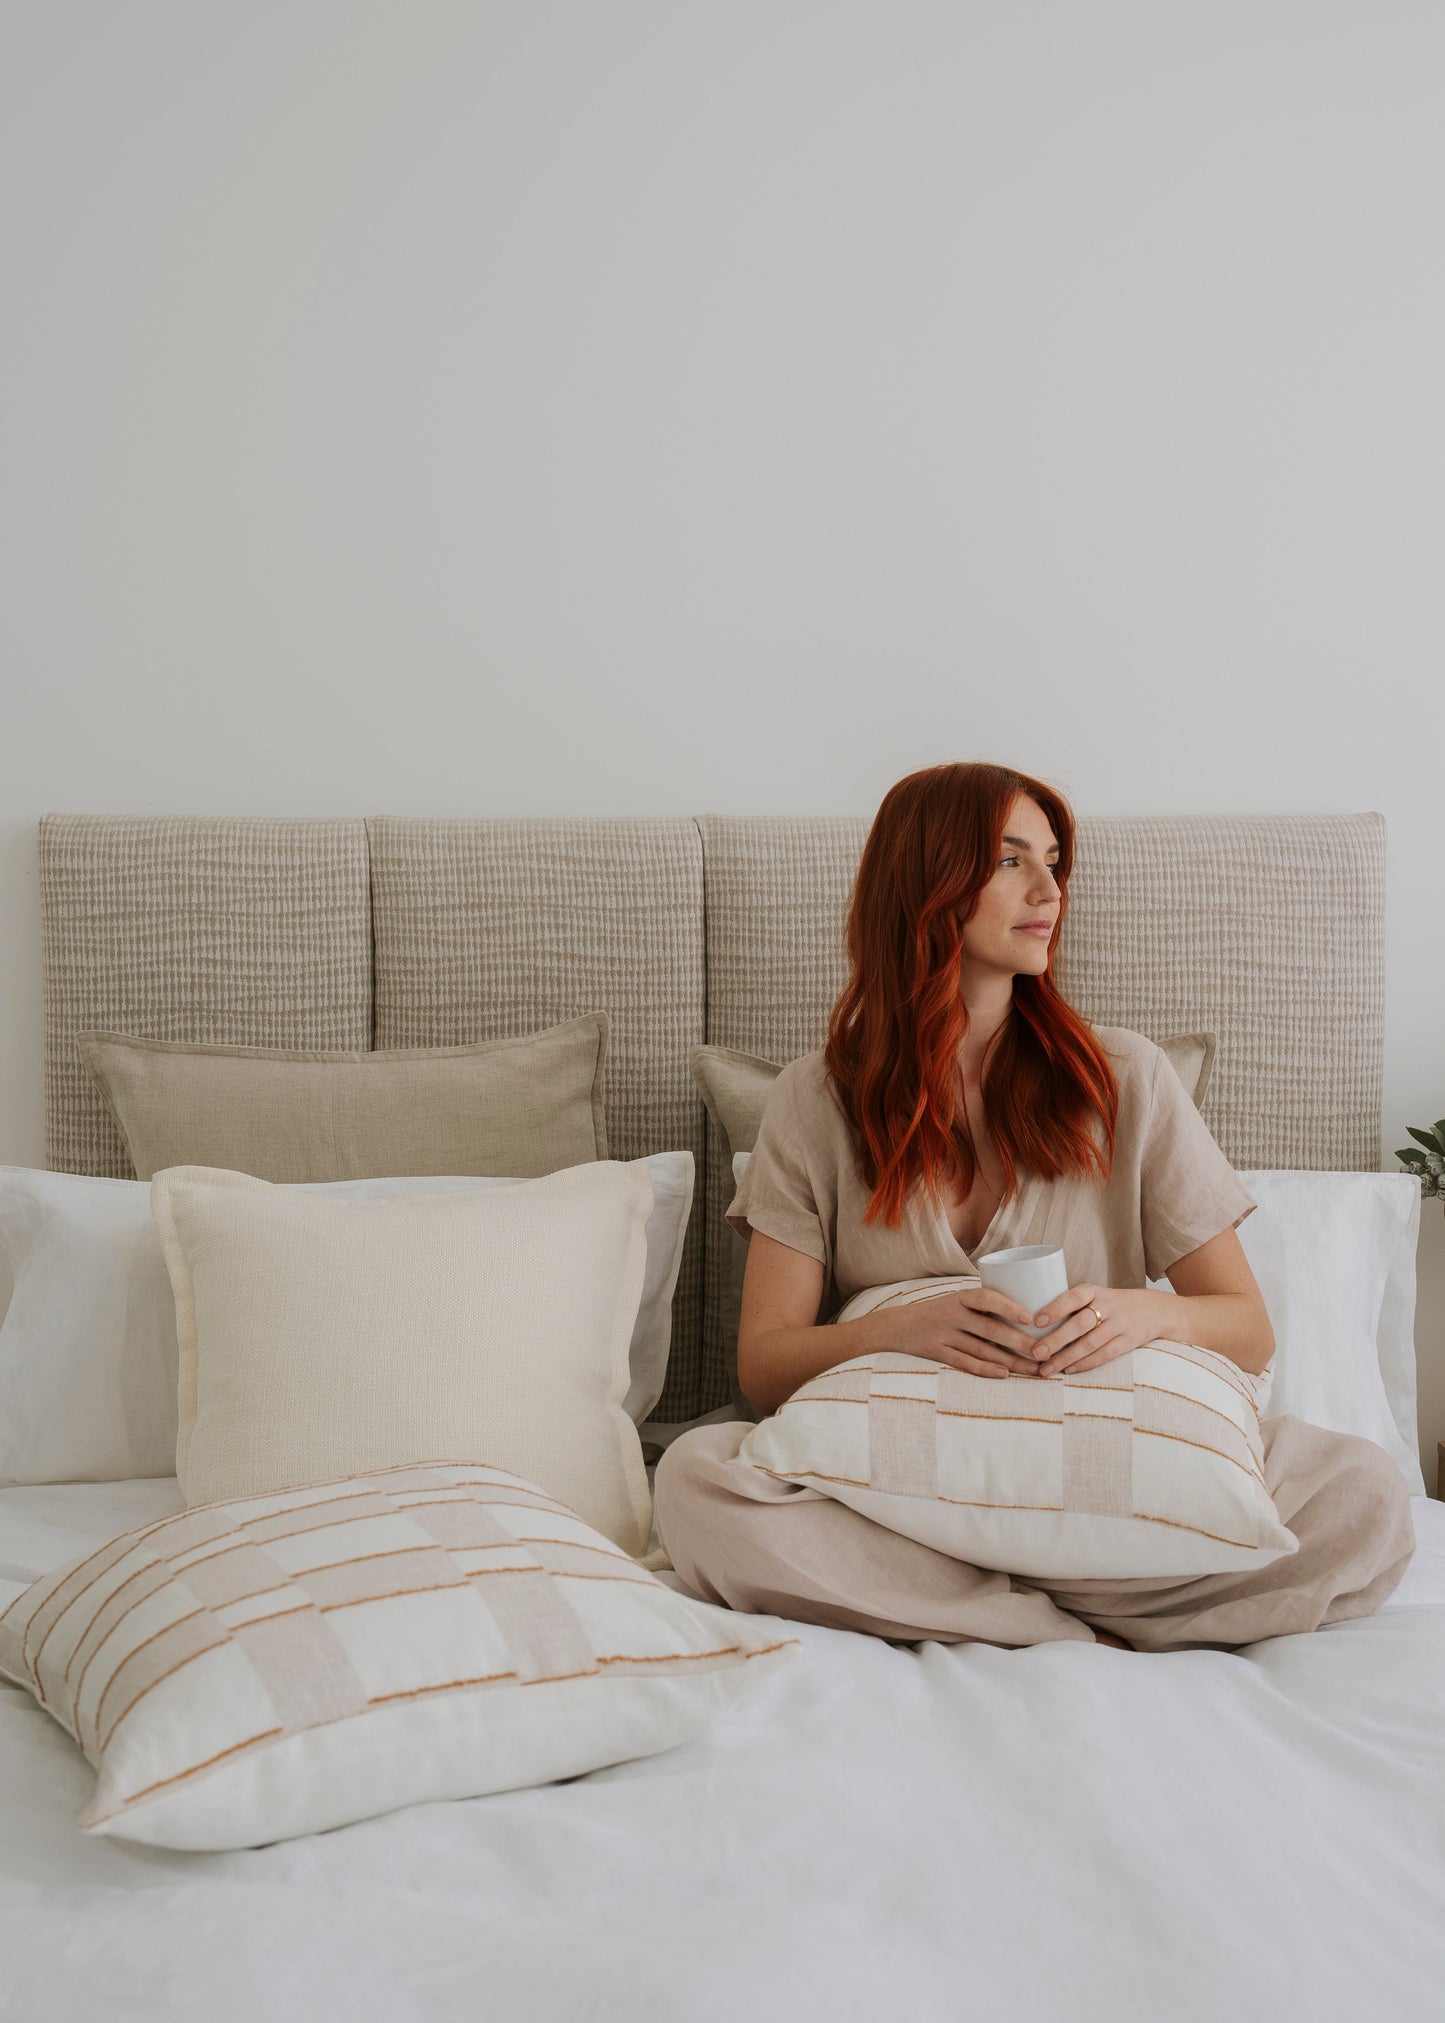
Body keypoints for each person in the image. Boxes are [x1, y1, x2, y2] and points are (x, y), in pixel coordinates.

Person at [654, 761, 1416, 1653]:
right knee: (694, 1481)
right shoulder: (816, 1099)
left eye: (1053, 862)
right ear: (927, 881)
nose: (1049, 891)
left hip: (1106, 1474)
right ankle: (1055, 1613)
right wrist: (903, 1328)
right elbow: (765, 1365)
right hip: (904, 1497)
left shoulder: (1125, 1078)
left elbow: (1246, 1328)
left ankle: (968, 1595)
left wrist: (1140, 1314)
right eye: (1009, 860)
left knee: (1365, 1494)